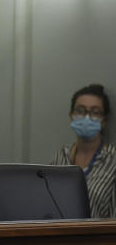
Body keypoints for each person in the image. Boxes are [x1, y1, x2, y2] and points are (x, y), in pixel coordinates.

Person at [49, 83, 115, 218]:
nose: (86, 117)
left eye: (95, 112)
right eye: (80, 110)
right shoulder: (61, 156)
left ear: (103, 121)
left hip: (97, 238)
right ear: (71, 115)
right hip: (57, 236)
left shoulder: (113, 161)